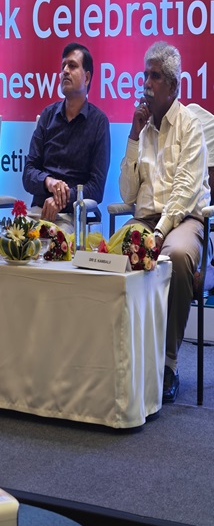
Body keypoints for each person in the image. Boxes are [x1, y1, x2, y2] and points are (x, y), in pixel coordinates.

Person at [119, 41, 210, 403]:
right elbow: (127, 193)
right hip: (145, 219)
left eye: (155, 77)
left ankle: (168, 363)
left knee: (178, 256)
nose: (147, 83)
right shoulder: (142, 130)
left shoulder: (190, 125)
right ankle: (124, 356)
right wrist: (131, 134)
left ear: (173, 85)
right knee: (111, 253)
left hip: (185, 219)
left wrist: (158, 235)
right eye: (145, 75)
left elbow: (186, 190)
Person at [23, 42, 111, 232]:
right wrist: (49, 182)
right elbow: (28, 173)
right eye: (63, 66)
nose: (65, 71)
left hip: (72, 216)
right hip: (39, 212)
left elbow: (96, 188)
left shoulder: (99, 122)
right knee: (6, 243)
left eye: (72, 66)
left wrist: (63, 198)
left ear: (87, 77)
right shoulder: (48, 115)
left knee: (55, 244)